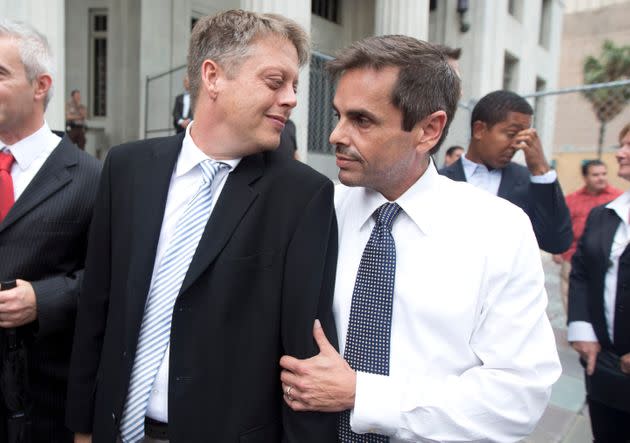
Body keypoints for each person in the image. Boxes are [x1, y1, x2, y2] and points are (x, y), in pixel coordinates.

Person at [66, 10, 338, 443]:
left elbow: (304, 360)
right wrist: (82, 428)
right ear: (213, 77)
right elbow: (97, 307)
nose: (291, 99)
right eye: (275, 81)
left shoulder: (303, 196)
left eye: (294, 86)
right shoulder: (127, 167)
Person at [279, 36, 560, 442]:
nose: (336, 135)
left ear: (429, 129)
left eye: (362, 120)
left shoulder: (498, 231)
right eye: (338, 115)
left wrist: (364, 395)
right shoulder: (318, 212)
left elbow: (517, 397)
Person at [0, 20, 101, 442]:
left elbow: (106, 280)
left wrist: (43, 299)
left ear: (40, 85)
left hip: (41, 405)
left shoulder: (92, 178)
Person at [439, 90, 573, 254]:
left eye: (524, 137)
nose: (517, 144)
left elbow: (557, 243)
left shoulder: (528, 181)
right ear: (479, 130)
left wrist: (541, 170)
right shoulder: (440, 180)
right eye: (511, 134)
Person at [567, 123, 630, 441]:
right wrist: (582, 330)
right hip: (602, 365)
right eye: (621, 144)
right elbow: (581, 271)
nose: (620, 152)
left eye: (629, 145)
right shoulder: (603, 215)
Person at [552, 159, 622, 314]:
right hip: (573, 255)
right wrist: (556, 250)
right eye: (595, 175)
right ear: (585, 177)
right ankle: (573, 328)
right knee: (570, 293)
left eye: (604, 174)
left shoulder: (619, 198)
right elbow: (561, 226)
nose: (601, 178)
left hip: (607, 257)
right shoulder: (572, 200)